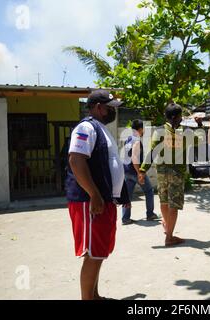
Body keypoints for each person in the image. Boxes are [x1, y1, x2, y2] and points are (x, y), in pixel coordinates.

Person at [65, 89, 130, 300]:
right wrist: (94, 194)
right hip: (90, 201)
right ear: (99, 107)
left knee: (99, 251)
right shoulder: (86, 127)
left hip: (102, 200)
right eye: (111, 107)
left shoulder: (101, 129)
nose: (113, 111)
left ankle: (94, 295)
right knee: (92, 254)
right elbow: (76, 160)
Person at [138, 103, 203, 247]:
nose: (181, 119)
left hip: (161, 172)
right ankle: (169, 237)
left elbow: (152, 152)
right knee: (173, 205)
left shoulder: (159, 131)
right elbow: (200, 139)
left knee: (164, 201)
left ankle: (168, 228)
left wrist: (143, 170)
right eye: (180, 116)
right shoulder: (185, 133)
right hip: (177, 174)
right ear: (176, 117)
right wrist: (199, 124)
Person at [122, 119, 159, 225]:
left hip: (127, 170)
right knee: (149, 191)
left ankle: (125, 218)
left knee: (127, 195)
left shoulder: (128, 139)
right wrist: (139, 173)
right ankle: (150, 214)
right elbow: (134, 157)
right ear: (140, 129)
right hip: (134, 171)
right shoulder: (137, 140)